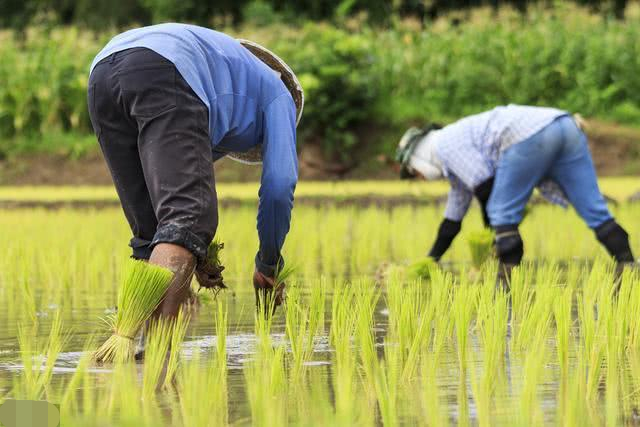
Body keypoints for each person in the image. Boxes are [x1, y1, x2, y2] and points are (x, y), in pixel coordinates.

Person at [87, 23, 304, 317]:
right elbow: (279, 185)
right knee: (188, 219)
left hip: (102, 74)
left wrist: (196, 256)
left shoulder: (224, 77)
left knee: (153, 232)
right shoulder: (279, 94)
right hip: (165, 68)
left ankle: (130, 347)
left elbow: (172, 181)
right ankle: (155, 352)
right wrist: (268, 263)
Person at [395, 105, 635, 283]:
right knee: (595, 210)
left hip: (530, 135)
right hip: (565, 126)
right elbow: (452, 221)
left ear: (418, 158)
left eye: (415, 172)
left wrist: (493, 243)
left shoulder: (445, 145)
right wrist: (431, 259)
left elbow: (487, 189)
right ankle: (629, 265)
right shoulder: (455, 166)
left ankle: (506, 282)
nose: (420, 177)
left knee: (501, 213)